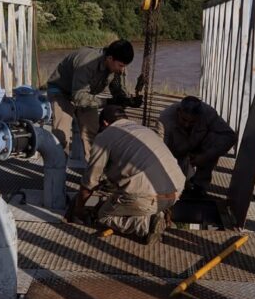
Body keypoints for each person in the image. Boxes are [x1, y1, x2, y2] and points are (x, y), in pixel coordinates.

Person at [69, 105, 186, 245]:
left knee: (103, 216)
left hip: (147, 198)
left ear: (105, 123)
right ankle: (156, 213)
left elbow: (90, 181)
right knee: (133, 198)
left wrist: (79, 210)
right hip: (176, 192)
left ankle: (144, 224)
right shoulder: (144, 130)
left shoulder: (106, 135)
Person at [46, 40, 141, 162]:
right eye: (121, 66)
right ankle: (56, 175)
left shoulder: (117, 65)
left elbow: (118, 91)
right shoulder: (87, 62)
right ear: (110, 58)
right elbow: (78, 97)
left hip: (85, 94)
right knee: (61, 134)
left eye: (125, 66)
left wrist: (128, 100)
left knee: (92, 133)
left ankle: (93, 174)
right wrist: (106, 102)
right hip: (61, 92)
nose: (123, 70)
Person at [156, 95, 237, 198]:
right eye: (184, 120)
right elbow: (159, 150)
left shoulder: (208, 114)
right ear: (178, 112)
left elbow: (230, 136)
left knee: (214, 140)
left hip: (198, 148)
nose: (187, 125)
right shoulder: (165, 120)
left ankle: (199, 188)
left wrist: (206, 156)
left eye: (192, 122)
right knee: (174, 182)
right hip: (175, 152)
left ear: (200, 116)